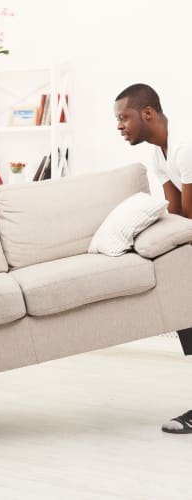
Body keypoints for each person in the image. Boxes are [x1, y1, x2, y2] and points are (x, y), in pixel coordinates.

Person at [114, 83, 192, 433]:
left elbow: (189, 215)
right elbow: (176, 216)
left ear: (147, 113)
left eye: (123, 117)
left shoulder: (184, 146)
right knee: (184, 303)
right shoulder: (156, 154)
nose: (119, 126)